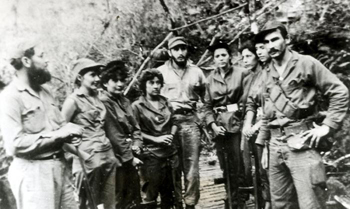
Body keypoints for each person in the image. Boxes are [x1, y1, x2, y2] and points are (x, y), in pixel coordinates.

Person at [255, 20, 349, 209]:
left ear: (287, 39)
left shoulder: (306, 63)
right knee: (280, 204)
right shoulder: (266, 73)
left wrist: (327, 126)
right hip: (274, 146)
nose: (270, 46)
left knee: (310, 204)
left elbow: (339, 92)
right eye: (266, 43)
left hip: (301, 143)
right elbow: (267, 111)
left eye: (275, 40)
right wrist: (264, 143)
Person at [0, 40, 83, 209]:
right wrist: (59, 135)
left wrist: (70, 132)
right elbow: (15, 144)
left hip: (59, 167)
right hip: (33, 174)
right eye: (41, 55)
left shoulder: (45, 91)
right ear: (26, 61)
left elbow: (60, 126)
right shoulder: (10, 97)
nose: (47, 61)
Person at [61, 58, 118, 209]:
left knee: (109, 204)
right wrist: (82, 154)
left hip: (107, 156)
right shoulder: (72, 101)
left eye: (98, 75)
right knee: (88, 205)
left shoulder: (98, 97)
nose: (98, 78)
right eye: (92, 75)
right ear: (80, 77)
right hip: (86, 162)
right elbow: (59, 135)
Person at [157, 36, 206, 209]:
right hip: (169, 123)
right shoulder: (160, 72)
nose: (180, 52)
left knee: (192, 166)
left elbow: (205, 98)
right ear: (170, 52)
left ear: (187, 50)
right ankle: (177, 202)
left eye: (183, 48)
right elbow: (154, 99)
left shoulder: (196, 72)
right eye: (176, 49)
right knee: (173, 165)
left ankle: (190, 203)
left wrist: (202, 118)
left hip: (190, 121)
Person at [204, 40, 248, 209]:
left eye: (224, 55)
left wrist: (241, 117)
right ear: (213, 59)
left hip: (238, 123)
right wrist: (213, 125)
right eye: (217, 56)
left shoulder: (242, 73)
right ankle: (231, 195)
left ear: (230, 56)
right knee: (225, 164)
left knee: (238, 162)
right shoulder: (210, 80)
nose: (221, 59)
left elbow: (248, 99)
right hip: (219, 127)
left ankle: (240, 198)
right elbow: (206, 107)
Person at [132, 69, 181, 209]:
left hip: (170, 154)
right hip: (151, 155)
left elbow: (175, 122)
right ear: (144, 85)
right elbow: (135, 131)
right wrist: (156, 139)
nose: (155, 86)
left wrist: (171, 135)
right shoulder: (137, 106)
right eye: (151, 83)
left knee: (169, 195)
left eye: (158, 83)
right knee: (150, 196)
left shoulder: (165, 102)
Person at [99, 60, 142, 209]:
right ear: (105, 83)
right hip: (116, 157)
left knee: (133, 197)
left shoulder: (124, 100)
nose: (119, 84)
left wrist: (137, 145)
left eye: (122, 80)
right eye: (115, 80)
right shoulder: (104, 103)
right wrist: (130, 159)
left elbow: (136, 127)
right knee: (119, 198)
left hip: (130, 154)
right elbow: (114, 134)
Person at [240, 40, 271, 209]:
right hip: (254, 127)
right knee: (255, 169)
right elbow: (251, 103)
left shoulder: (270, 72)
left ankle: (268, 203)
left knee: (266, 168)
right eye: (242, 57)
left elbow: (271, 105)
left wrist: (257, 125)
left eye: (248, 56)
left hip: (267, 126)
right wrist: (247, 125)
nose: (245, 60)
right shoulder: (251, 77)